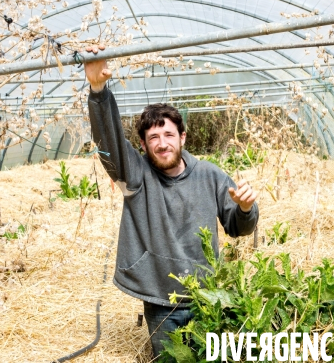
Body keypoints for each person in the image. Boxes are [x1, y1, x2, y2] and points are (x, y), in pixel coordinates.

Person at [84, 54, 259, 358]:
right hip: (160, 301)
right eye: (153, 137)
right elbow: (109, 143)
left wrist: (245, 209)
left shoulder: (210, 174)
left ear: (183, 137)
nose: (162, 143)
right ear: (143, 145)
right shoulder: (137, 176)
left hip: (206, 296)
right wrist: (99, 93)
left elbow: (237, 228)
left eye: (168, 134)